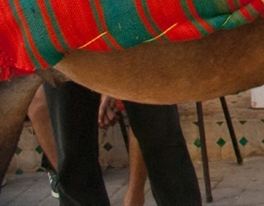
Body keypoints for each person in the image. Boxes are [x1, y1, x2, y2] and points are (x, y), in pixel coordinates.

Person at [43, 81, 201, 206]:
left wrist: (110, 84)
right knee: (73, 157)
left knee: (162, 141)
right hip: (66, 51)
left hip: (137, 50)